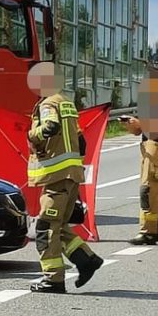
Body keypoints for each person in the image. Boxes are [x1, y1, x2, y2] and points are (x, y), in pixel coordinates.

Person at [26, 61, 105, 293]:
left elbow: (50, 127)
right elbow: (81, 142)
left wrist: (33, 135)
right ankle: (86, 260)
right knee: (57, 226)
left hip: (56, 176)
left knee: (45, 228)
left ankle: (53, 279)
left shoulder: (48, 104)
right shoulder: (66, 103)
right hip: (70, 175)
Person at [122, 68, 158, 245]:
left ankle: (147, 232)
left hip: (157, 151)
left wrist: (141, 123)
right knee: (154, 192)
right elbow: (139, 131)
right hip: (146, 150)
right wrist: (131, 124)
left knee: (147, 191)